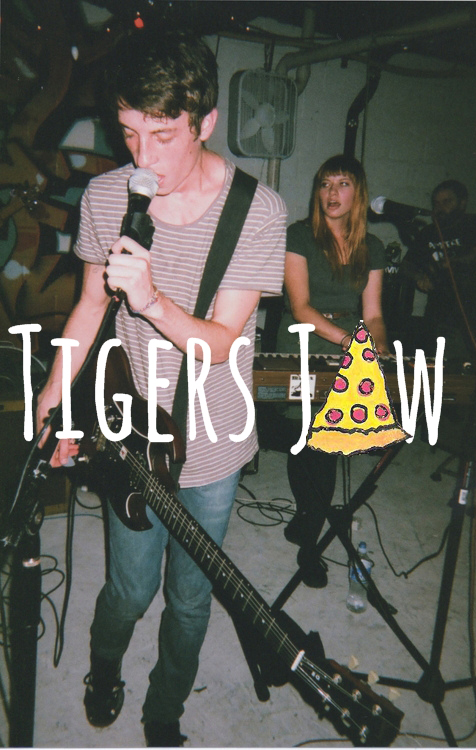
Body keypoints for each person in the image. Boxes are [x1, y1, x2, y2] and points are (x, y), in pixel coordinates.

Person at [36, 31, 286, 747]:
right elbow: (89, 305)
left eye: (164, 135)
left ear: (205, 122)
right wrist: (53, 396)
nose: (143, 158)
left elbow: (222, 341)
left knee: (190, 597)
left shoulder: (258, 211)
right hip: (135, 431)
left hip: (215, 439)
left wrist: (150, 302)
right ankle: (104, 668)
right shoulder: (105, 195)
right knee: (130, 586)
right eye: (129, 134)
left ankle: (166, 706)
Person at [276, 154, 390, 588]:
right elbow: (301, 308)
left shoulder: (372, 246)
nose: (331, 193)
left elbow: (373, 313)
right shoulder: (299, 236)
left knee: (326, 443)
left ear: (358, 193)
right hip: (305, 339)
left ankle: (306, 519)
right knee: (313, 441)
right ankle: (310, 543)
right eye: (325, 184)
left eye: (342, 184)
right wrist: (351, 344)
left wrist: (378, 347)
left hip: (350, 339)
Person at [399, 179, 476, 365]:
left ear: (462, 203)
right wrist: (420, 277)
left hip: (474, 309)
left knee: (475, 363)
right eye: (436, 203)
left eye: (447, 202)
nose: (440, 208)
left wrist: (448, 264)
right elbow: (406, 266)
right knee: (434, 363)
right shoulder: (427, 233)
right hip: (439, 312)